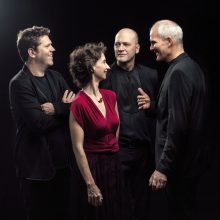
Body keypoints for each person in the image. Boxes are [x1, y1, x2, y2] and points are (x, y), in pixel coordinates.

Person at [9, 26, 75, 220]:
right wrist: (65, 108)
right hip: (37, 170)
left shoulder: (56, 77)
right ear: (32, 52)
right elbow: (38, 123)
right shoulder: (19, 83)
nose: (53, 49)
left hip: (63, 167)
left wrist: (57, 108)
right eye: (47, 45)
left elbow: (76, 107)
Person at [148, 19, 208, 220]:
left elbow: (178, 126)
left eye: (154, 42)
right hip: (190, 165)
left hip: (179, 169)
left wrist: (163, 168)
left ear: (169, 41)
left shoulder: (178, 73)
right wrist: (154, 108)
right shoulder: (192, 68)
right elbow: (183, 115)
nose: (151, 48)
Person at [69, 42, 132, 220]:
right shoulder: (79, 103)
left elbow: (116, 127)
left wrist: (112, 149)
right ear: (91, 67)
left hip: (113, 165)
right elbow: (78, 148)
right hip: (92, 169)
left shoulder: (110, 96)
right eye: (103, 62)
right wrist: (90, 184)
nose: (107, 66)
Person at [100, 28, 158, 220]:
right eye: (117, 44)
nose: (121, 48)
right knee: (116, 209)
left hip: (144, 154)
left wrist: (152, 106)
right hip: (117, 153)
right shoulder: (103, 76)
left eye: (126, 44)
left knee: (144, 208)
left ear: (138, 48)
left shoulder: (151, 75)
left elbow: (163, 113)